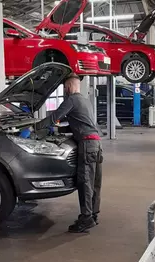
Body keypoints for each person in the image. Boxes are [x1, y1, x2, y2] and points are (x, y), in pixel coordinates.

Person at [34, 73, 103, 233]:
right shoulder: (85, 100)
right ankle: (93, 214)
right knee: (94, 182)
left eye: (65, 88)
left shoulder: (71, 100)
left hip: (87, 144)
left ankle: (86, 219)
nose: (65, 90)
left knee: (85, 181)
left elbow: (54, 117)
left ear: (69, 87)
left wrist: (35, 127)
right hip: (97, 144)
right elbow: (80, 121)